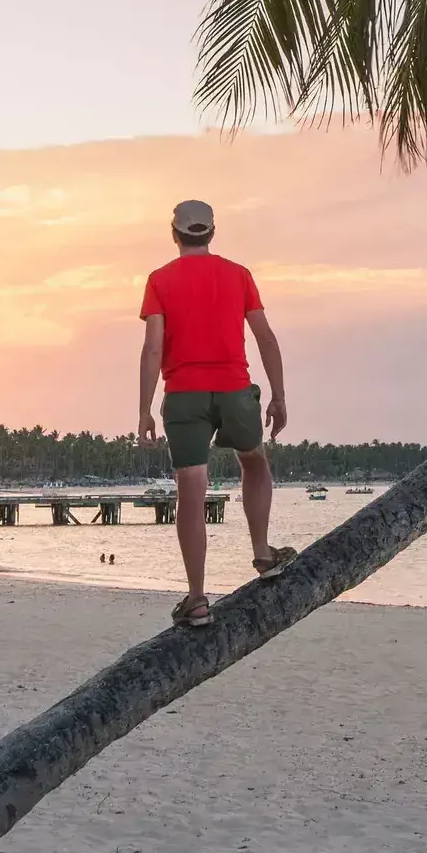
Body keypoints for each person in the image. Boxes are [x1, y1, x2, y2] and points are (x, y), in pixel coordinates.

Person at [136, 198, 292, 628]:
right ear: (212, 232)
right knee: (255, 461)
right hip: (234, 388)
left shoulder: (159, 280)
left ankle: (198, 599)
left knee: (191, 488)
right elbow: (265, 338)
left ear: (175, 233)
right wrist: (278, 395)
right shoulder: (238, 275)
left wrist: (145, 410)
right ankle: (262, 553)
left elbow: (152, 348)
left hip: (184, 394)